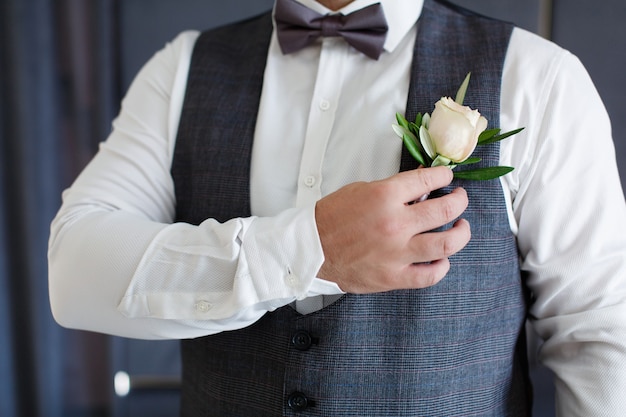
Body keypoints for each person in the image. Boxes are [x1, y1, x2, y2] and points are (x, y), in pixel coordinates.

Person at [48, 0, 626, 415]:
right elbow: (74, 272)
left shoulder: (539, 78)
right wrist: (311, 248)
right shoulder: (180, 69)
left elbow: (601, 338)